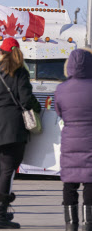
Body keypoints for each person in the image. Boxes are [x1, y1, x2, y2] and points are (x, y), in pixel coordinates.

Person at [0, 37, 41, 229]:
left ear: (0, 53)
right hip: (9, 127)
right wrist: (39, 108)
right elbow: (26, 100)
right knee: (7, 169)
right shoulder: (19, 72)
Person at [55, 48, 92, 231]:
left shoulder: (61, 89)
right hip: (90, 140)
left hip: (70, 140)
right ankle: (88, 224)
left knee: (69, 184)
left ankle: (71, 224)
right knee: (90, 182)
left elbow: (59, 112)